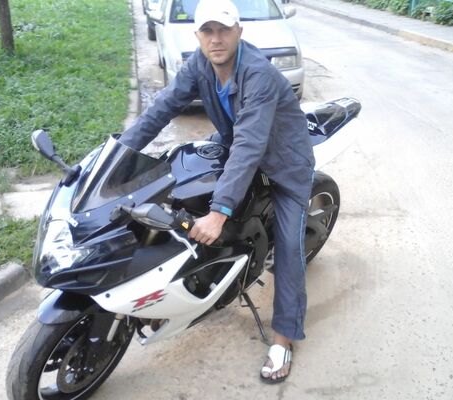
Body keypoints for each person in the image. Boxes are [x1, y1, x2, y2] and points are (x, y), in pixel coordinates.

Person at [119, 0, 315, 383]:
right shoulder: (199, 64)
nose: (216, 38)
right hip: (236, 145)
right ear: (197, 35)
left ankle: (284, 340)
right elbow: (162, 107)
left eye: (224, 29)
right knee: (180, 181)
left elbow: (250, 144)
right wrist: (119, 153)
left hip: (285, 164)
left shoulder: (257, 74)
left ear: (239, 31)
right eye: (207, 31)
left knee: (290, 251)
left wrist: (219, 211)